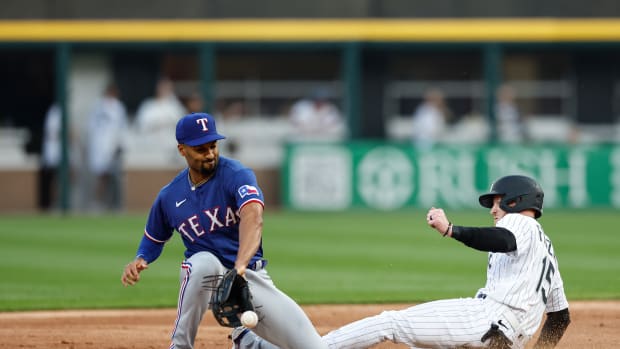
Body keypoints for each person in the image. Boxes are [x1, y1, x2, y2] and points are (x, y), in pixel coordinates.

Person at [234, 175, 571, 349]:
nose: (493, 209)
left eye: (497, 202)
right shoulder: (548, 252)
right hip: (506, 340)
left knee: (389, 323)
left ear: (515, 201)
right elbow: (560, 317)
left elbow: (502, 240)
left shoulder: (521, 224)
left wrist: (452, 230)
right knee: (414, 340)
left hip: (486, 317)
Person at [120, 112, 326, 349]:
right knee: (202, 263)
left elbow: (253, 218)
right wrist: (141, 258)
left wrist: (239, 268)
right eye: (201, 149)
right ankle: (180, 346)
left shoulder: (236, 174)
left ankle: (248, 343)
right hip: (207, 278)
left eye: (213, 146)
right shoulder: (170, 196)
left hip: (248, 277)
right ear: (182, 150)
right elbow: (154, 237)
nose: (209, 154)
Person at [86, 83, 129, 211]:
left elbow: (121, 127)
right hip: (100, 147)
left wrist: (119, 144)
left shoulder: (118, 107)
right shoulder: (98, 106)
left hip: (113, 147)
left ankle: (114, 204)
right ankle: (99, 203)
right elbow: (92, 127)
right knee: (102, 176)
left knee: (115, 177)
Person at [38, 103, 62, 211]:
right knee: (55, 178)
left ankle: (59, 202)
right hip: (54, 151)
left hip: (63, 151)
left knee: (66, 177)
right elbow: (53, 132)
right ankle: (55, 203)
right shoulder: (54, 112)